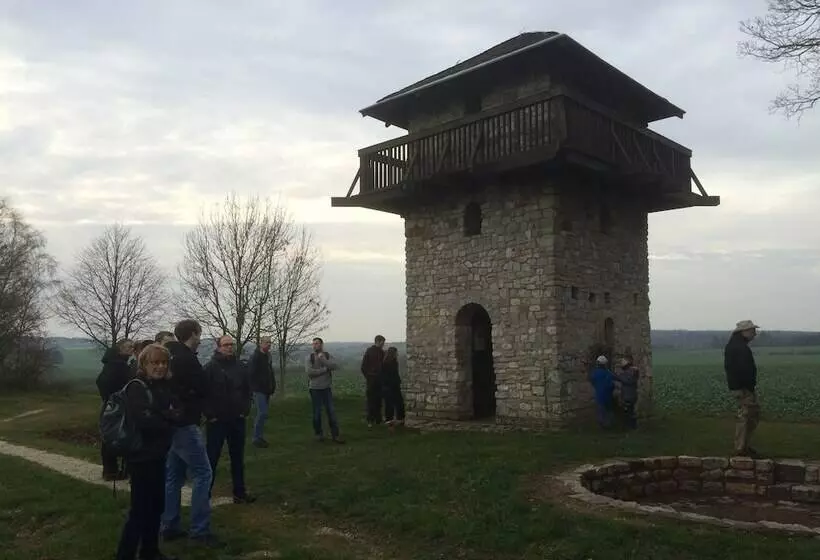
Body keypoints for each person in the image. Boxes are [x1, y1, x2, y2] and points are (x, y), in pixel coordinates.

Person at [160, 320, 222, 548]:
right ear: (193, 334)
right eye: (199, 335)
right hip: (186, 423)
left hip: (170, 423)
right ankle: (200, 531)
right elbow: (204, 386)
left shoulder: (169, 356)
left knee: (173, 476)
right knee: (203, 474)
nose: (199, 339)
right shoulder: (187, 358)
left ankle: (169, 525)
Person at [116, 343, 180, 560]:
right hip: (141, 456)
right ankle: (125, 555)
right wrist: (167, 416)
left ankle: (150, 551)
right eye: (155, 362)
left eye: (164, 362)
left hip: (158, 454)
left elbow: (175, 412)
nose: (160, 367)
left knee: (156, 506)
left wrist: (164, 415)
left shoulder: (162, 386)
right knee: (140, 510)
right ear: (144, 363)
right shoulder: (137, 386)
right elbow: (144, 420)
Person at [203, 335, 256, 504]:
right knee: (211, 458)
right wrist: (210, 415)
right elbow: (203, 394)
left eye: (231, 345)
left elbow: (248, 390)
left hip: (237, 418)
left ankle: (239, 493)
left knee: (238, 458)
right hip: (217, 421)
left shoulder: (240, 366)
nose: (229, 347)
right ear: (218, 347)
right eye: (225, 345)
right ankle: (205, 494)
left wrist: (245, 409)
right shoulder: (210, 368)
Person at [96, 338, 135, 481]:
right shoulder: (120, 366)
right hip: (117, 406)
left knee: (108, 436)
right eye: (128, 347)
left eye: (132, 346)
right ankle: (117, 470)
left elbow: (99, 381)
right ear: (120, 350)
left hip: (108, 404)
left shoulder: (109, 363)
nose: (131, 349)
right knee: (119, 435)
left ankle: (110, 469)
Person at [725, 319, 761, 458]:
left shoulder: (735, 345)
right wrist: (748, 387)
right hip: (744, 388)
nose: (754, 334)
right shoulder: (740, 347)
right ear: (744, 332)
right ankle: (741, 448)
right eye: (752, 331)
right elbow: (743, 369)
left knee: (751, 414)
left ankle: (743, 445)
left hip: (740, 387)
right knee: (747, 416)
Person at [305, 337, 344, 443]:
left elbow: (335, 365)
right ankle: (318, 434)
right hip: (315, 389)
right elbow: (310, 372)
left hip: (326, 388)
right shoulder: (310, 357)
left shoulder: (326, 355)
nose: (314, 345)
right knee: (317, 413)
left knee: (331, 412)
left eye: (317, 343)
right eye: (313, 343)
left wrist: (323, 360)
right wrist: (324, 369)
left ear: (321, 345)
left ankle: (335, 435)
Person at [249, 336, 276, 448]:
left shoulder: (268, 356)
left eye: (270, 343)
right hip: (258, 390)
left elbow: (270, 372)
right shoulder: (256, 357)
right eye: (266, 342)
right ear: (260, 343)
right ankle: (256, 438)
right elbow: (251, 374)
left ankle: (259, 436)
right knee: (262, 413)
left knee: (263, 414)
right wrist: (254, 388)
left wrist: (272, 385)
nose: (268, 344)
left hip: (267, 389)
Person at [360, 335, 386, 427]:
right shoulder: (370, 351)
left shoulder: (382, 352)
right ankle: (370, 419)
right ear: (378, 342)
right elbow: (363, 366)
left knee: (378, 400)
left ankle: (377, 419)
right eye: (382, 343)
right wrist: (369, 376)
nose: (383, 345)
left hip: (379, 379)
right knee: (371, 400)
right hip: (372, 379)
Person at [588, 355, 614, 428]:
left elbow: (592, 380)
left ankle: (601, 425)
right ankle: (608, 425)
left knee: (601, 410)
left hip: (599, 394)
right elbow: (611, 384)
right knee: (608, 410)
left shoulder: (595, 373)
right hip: (608, 394)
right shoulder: (608, 373)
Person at [382, 346, 405, 427]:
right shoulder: (388, 363)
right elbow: (390, 375)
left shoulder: (390, 362)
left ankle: (395, 419)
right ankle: (393, 419)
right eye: (396, 353)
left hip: (391, 385)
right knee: (393, 403)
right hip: (390, 386)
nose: (397, 354)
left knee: (395, 403)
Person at [614, 357, 640, 429]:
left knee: (628, 411)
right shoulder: (634, 372)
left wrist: (615, 376)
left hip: (627, 395)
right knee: (631, 410)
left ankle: (630, 426)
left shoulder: (626, 374)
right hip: (633, 394)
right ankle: (633, 425)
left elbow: (623, 379)